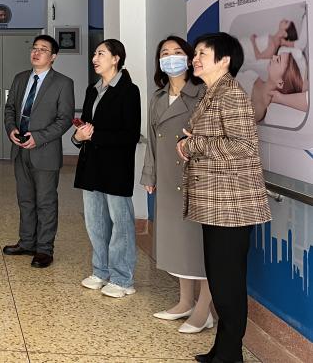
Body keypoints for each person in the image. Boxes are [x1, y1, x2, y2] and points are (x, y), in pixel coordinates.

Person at [176, 32, 272, 363]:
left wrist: (193, 144)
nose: (195, 59)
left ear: (225, 60)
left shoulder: (230, 94)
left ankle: (230, 356)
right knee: (221, 281)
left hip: (231, 206)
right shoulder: (212, 92)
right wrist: (190, 142)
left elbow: (244, 146)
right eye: (195, 53)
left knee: (227, 284)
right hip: (217, 204)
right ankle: (223, 350)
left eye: (203, 53)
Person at [140, 36, 213, 334]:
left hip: (196, 177)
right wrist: (150, 175)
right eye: (165, 53)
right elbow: (152, 141)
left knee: (199, 244)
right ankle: (184, 301)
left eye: (177, 52)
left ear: (190, 57)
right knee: (178, 242)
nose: (171, 57)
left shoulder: (203, 92)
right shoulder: (158, 97)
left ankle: (204, 310)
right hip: (168, 176)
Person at [73, 39, 141, 298]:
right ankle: (100, 271)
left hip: (115, 167)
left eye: (101, 53)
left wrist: (94, 136)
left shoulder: (129, 91)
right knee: (96, 224)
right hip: (91, 166)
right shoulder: (93, 90)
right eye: (94, 54)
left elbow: (130, 135)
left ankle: (123, 278)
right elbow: (85, 127)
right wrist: (78, 136)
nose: (95, 58)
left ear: (116, 58)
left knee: (120, 224)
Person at [2, 34, 75, 268]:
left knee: (45, 202)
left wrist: (39, 137)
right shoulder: (20, 78)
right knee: (25, 200)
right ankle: (26, 242)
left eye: (43, 49)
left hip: (45, 151)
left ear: (53, 57)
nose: (36, 52)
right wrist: (11, 129)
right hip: (20, 149)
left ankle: (44, 249)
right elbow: (10, 108)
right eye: (34, 48)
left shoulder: (63, 83)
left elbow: (64, 120)